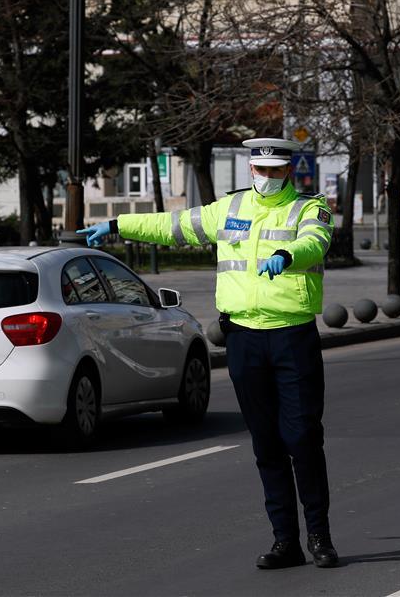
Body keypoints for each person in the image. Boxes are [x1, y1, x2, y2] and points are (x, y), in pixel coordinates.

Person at [78, 138, 338, 569]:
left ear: (289, 171)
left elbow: (316, 242)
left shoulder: (309, 209)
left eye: (276, 172)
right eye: (261, 171)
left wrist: (286, 254)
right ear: (251, 170)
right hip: (242, 338)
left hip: (292, 337)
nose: (268, 178)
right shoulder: (230, 209)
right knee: (266, 443)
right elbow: (175, 225)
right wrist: (120, 226)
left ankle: (320, 537)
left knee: (303, 438)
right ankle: (285, 542)